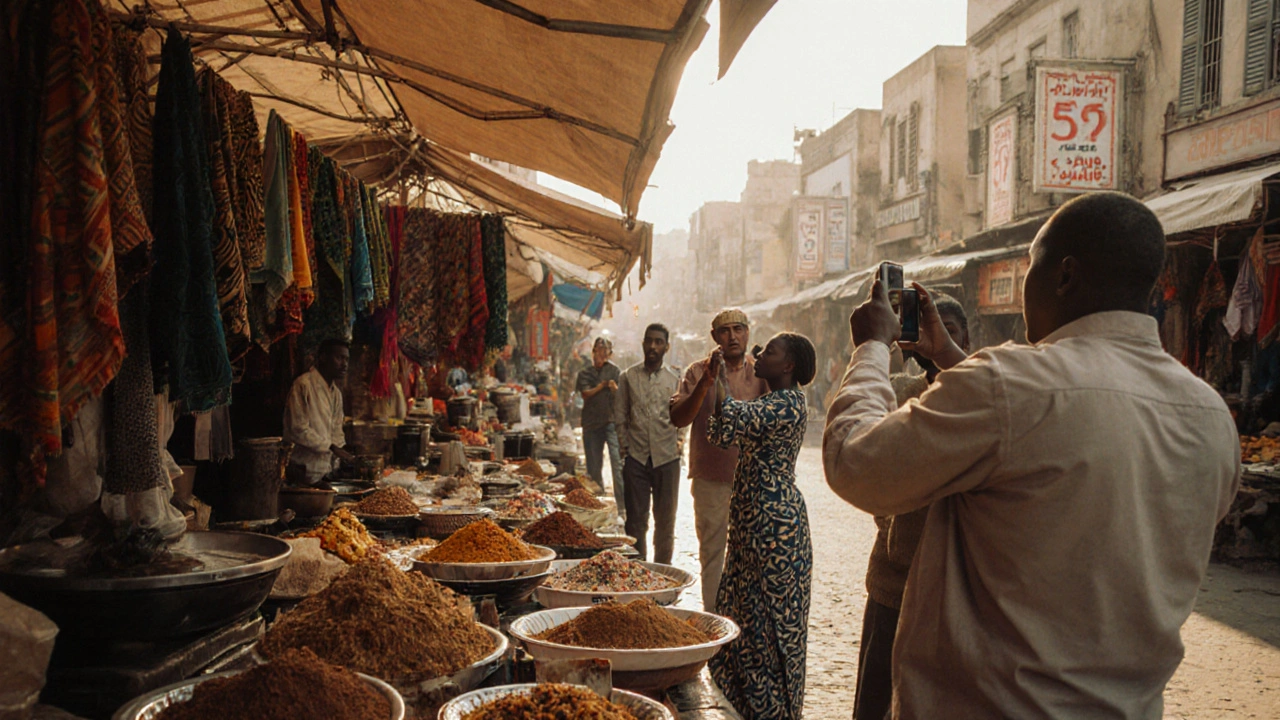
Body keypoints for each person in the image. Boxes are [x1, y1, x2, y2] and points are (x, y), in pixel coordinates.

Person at [824, 192, 1241, 719]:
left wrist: (870, 350)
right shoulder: (1208, 415)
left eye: (1029, 269)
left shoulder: (1011, 382)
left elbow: (853, 463)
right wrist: (950, 359)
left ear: (1064, 275)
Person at [852, 294, 970, 720]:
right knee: (875, 697)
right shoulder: (903, 392)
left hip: (950, 588)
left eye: (948, 332)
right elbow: (870, 467)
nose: (932, 340)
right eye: (918, 331)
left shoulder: (981, 401)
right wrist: (891, 526)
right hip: (893, 577)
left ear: (964, 339)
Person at [706, 332, 815, 720]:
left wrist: (716, 381)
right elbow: (721, 434)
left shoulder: (790, 403)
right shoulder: (768, 400)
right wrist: (717, 386)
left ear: (787, 366)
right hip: (751, 529)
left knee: (771, 630)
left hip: (777, 530)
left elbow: (735, 415)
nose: (759, 355)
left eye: (770, 351)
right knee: (746, 621)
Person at [670, 309, 768, 611]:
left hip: (752, 480)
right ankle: (716, 623)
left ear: (748, 333)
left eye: (739, 329)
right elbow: (678, 417)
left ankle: (744, 627)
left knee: (752, 558)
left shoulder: (761, 373)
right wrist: (706, 383)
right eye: (725, 331)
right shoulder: (697, 372)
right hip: (710, 480)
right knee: (713, 556)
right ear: (715, 337)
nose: (733, 336)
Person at [615, 323, 683, 563]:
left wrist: (679, 443)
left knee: (665, 524)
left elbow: (682, 417)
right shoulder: (628, 377)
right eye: (649, 341)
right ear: (643, 343)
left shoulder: (675, 379)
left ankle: (663, 574)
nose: (653, 346)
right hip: (636, 459)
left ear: (666, 347)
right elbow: (620, 417)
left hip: (667, 459)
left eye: (658, 342)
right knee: (635, 522)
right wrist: (626, 448)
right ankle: (637, 572)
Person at [283, 339, 356, 488]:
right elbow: (297, 429)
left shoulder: (336, 393)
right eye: (339, 358)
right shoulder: (303, 385)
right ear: (323, 357)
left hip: (326, 473)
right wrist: (331, 447)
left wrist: (345, 455)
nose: (344, 364)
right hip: (303, 472)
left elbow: (336, 430)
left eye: (347, 359)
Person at [576, 337, 624, 512]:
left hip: (611, 422)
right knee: (594, 466)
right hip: (591, 423)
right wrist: (602, 386)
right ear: (593, 352)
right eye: (599, 352)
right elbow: (585, 393)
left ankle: (622, 505)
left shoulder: (615, 371)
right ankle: (596, 503)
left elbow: (623, 396)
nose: (602, 356)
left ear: (610, 354)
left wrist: (614, 389)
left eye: (605, 353)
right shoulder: (585, 373)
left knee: (617, 463)